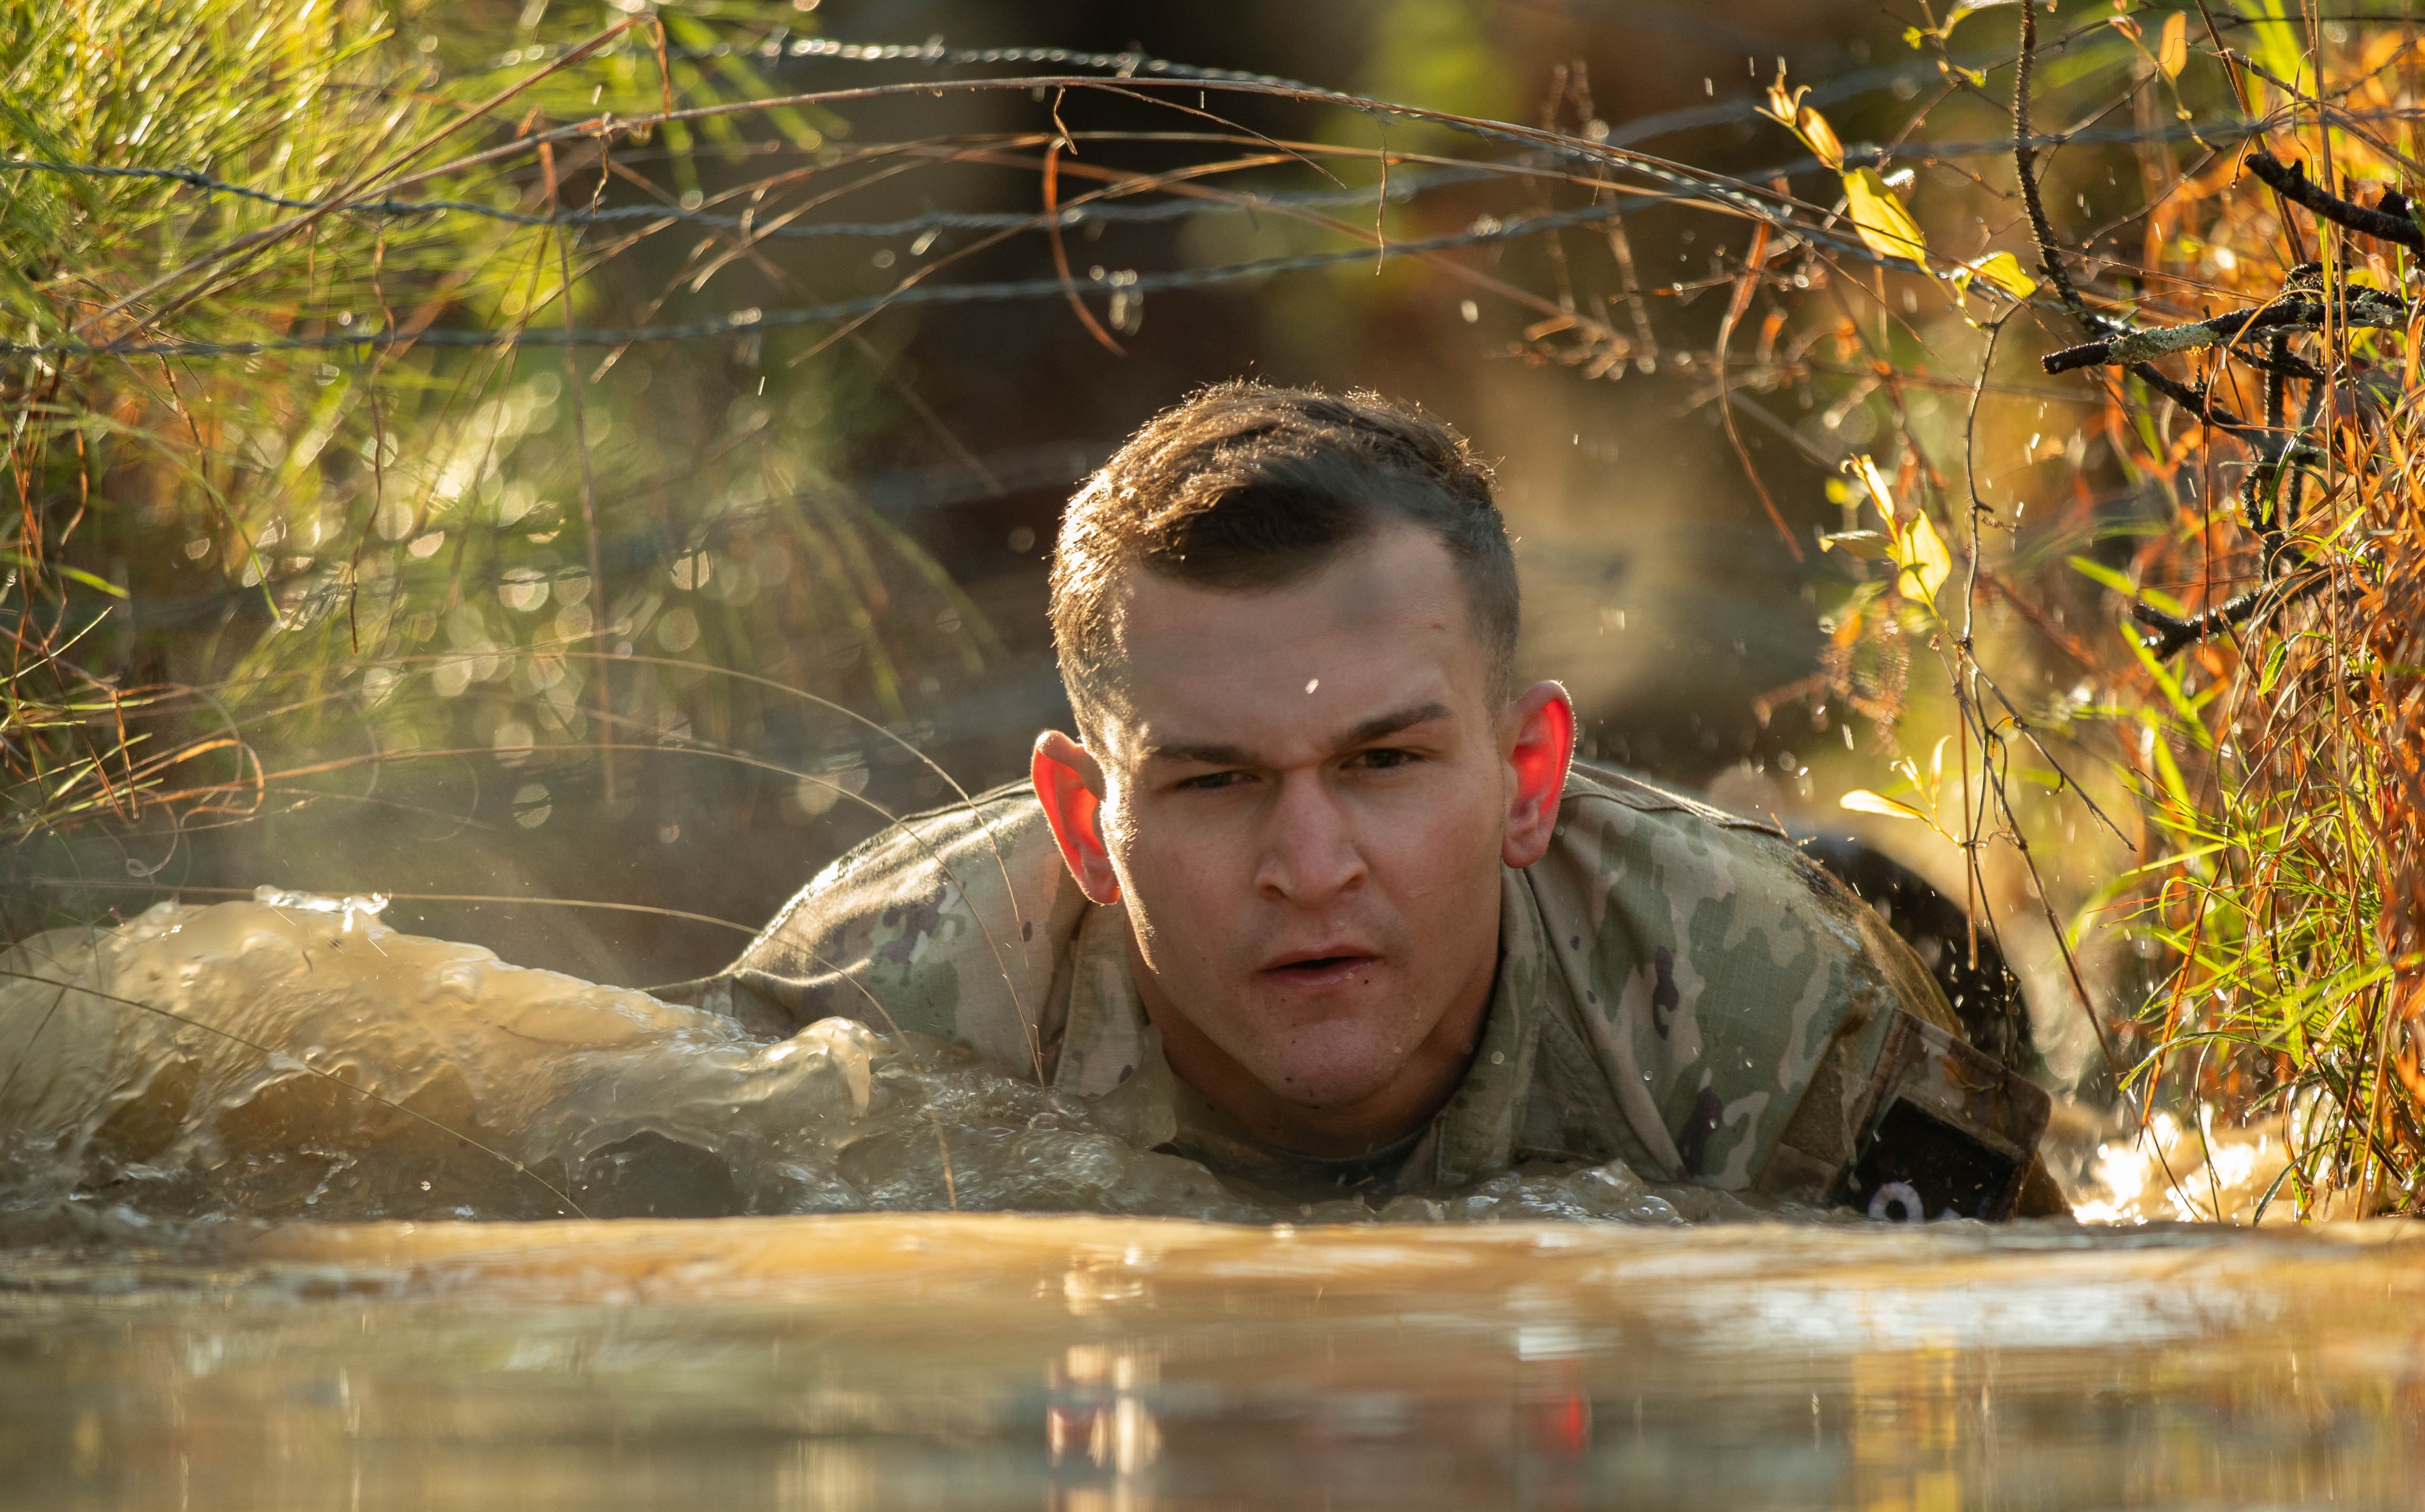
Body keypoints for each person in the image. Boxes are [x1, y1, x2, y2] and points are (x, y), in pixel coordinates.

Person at [714, 381, 2055, 1217]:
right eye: (1216, 781)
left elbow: (2026, 1397)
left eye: (1384, 763)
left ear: (1529, 775)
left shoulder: (1782, 1016)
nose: (1309, 864)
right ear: (1083, 826)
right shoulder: (868, 1010)